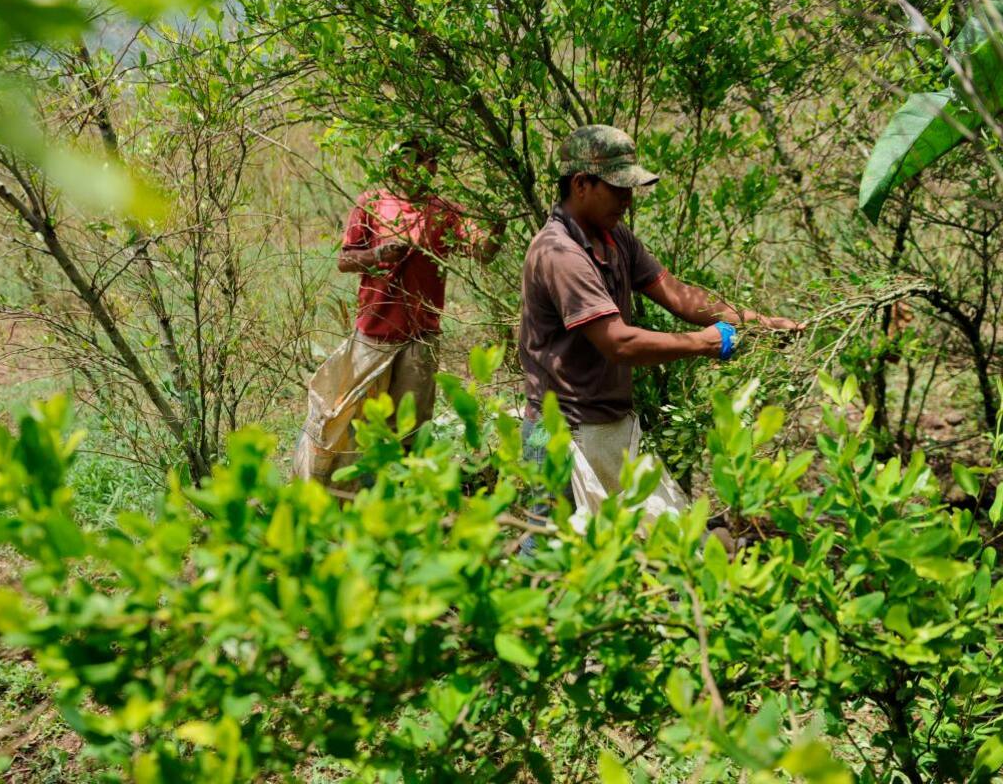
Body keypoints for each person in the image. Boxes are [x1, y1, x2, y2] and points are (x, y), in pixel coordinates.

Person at [519, 124, 799, 525]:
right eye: (618, 189)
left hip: (604, 427)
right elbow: (619, 342)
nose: (628, 200)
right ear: (581, 184)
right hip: (560, 433)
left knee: (618, 553)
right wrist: (704, 344)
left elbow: (680, 295)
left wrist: (758, 324)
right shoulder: (559, 253)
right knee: (547, 551)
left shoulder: (615, 239)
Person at [293, 137, 501, 482]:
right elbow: (345, 260)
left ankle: (402, 498)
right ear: (396, 166)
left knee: (410, 428)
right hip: (374, 334)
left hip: (420, 336)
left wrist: (497, 228)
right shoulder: (372, 204)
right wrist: (377, 256)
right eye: (418, 160)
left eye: (432, 160)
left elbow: (482, 253)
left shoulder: (443, 210)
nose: (427, 168)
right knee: (353, 420)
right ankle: (340, 494)